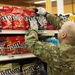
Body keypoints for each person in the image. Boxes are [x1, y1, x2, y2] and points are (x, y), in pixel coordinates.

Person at [25, 7, 75, 75]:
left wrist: (33, 28)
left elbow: (31, 43)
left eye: (60, 30)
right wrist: (46, 14)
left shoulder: (56, 52)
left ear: (63, 35)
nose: (59, 30)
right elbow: (67, 26)